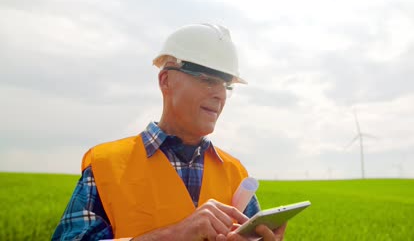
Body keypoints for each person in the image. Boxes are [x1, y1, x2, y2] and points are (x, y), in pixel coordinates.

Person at [51, 24, 287, 240]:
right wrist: (176, 234)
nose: (221, 94)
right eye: (207, 80)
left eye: (226, 85)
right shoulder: (106, 166)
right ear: (166, 80)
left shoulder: (235, 174)